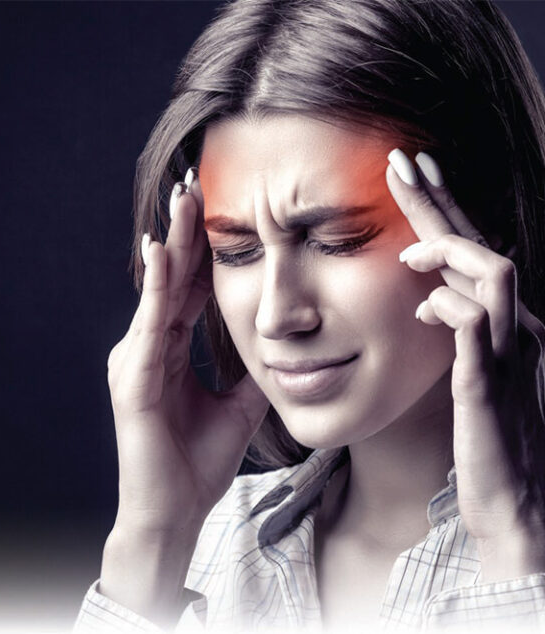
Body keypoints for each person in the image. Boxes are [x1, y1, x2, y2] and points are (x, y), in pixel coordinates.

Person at [74, 0, 545, 631]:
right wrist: (153, 539)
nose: (275, 315)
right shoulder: (208, 548)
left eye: (339, 239)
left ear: (490, 222)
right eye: (235, 251)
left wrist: (516, 531)